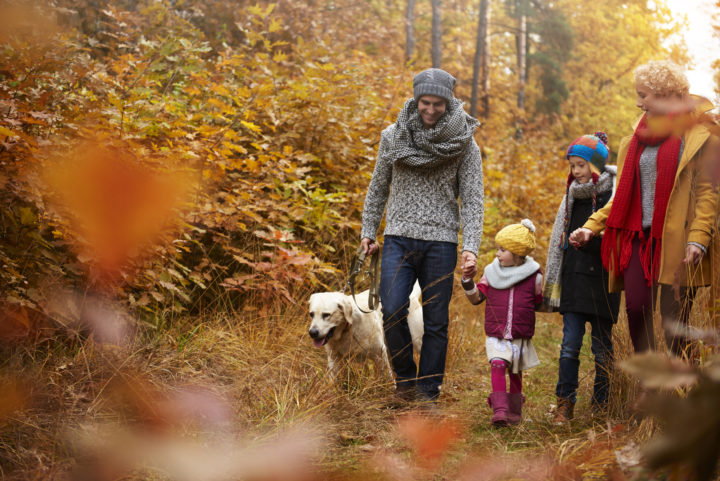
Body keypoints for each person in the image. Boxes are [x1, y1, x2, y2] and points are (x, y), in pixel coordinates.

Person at [570, 60, 719, 357]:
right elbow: (622, 197)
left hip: (678, 242)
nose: (638, 103)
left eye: (644, 95)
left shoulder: (700, 136)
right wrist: (591, 226)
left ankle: (684, 389)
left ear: (665, 94)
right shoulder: (633, 141)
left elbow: (708, 194)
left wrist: (698, 238)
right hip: (638, 240)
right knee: (637, 310)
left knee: (673, 324)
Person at [360, 68, 484, 403]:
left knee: (435, 320)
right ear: (416, 100)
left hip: (441, 242)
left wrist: (471, 246)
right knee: (393, 308)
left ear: (449, 102)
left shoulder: (464, 143)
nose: (430, 110)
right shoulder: (393, 136)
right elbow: (378, 188)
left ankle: (428, 392)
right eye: (425, 102)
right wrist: (368, 231)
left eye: (438, 104)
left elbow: (473, 199)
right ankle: (404, 382)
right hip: (398, 237)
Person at [543, 132, 621, 423]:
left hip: (603, 280)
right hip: (574, 280)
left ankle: (602, 404)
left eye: (581, 166)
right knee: (570, 344)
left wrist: (590, 241)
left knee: (602, 348)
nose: (575, 172)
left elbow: (615, 240)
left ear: (596, 166)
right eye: (573, 166)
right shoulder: (571, 196)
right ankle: (565, 402)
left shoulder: (612, 195)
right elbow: (561, 242)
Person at [462, 219, 541, 426]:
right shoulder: (491, 273)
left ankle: (514, 413)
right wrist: (467, 281)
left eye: (502, 250)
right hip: (496, 332)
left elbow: (540, 301)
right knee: (497, 365)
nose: (497, 254)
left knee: (515, 371)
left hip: (519, 332)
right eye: (498, 249)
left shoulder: (534, 276)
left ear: (517, 254)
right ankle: (499, 410)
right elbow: (476, 298)